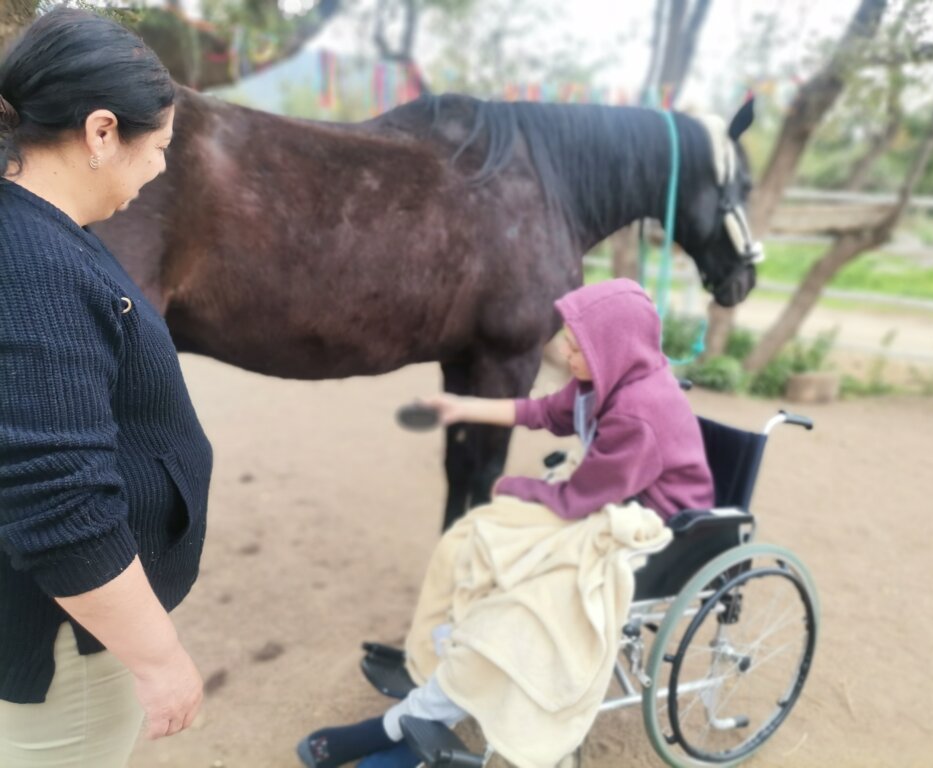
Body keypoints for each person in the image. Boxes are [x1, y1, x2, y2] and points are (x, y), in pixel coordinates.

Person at [296, 278, 713, 767]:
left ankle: (406, 723)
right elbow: (540, 411)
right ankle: (453, 664)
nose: (564, 351)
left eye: (577, 347)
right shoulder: (601, 381)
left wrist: (514, 485)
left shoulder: (639, 414)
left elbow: (577, 497)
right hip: (609, 499)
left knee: (524, 598)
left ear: (613, 349)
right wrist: (461, 406)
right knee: (477, 538)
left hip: (657, 527)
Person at [0, 9, 213, 768]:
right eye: (157, 147)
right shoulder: (32, 267)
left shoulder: (41, 231)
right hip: (67, 644)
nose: (158, 168)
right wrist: (159, 660)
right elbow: (58, 502)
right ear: (99, 132)